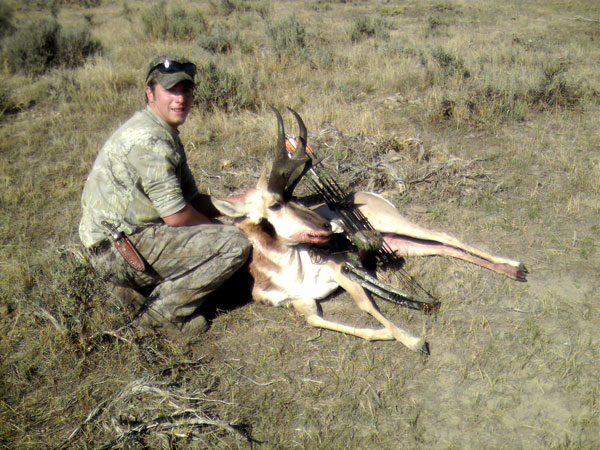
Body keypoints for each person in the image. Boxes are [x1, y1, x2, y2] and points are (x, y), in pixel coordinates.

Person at [79, 55, 251, 342]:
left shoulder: (160, 129)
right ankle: (158, 320)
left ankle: (131, 290)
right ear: (150, 93)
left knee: (221, 236)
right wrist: (218, 229)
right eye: (171, 90)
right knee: (234, 244)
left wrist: (239, 203)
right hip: (118, 249)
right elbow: (177, 216)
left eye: (186, 90)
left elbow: (189, 200)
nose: (180, 98)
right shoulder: (150, 140)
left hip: (120, 239)